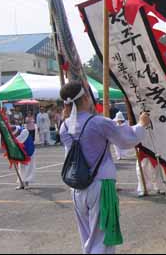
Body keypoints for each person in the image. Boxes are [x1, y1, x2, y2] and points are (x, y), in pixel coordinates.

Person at [59, 81, 149, 254]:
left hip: (76, 185)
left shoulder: (64, 127)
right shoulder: (98, 122)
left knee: (87, 236)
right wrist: (141, 125)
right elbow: (126, 140)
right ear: (86, 98)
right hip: (100, 185)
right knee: (102, 239)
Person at [13, 125, 36, 190]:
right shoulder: (16, 130)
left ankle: (27, 183)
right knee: (21, 167)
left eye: (16, 135)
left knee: (29, 168)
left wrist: (10, 142)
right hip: (22, 152)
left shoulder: (24, 131)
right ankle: (21, 183)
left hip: (29, 150)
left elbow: (17, 141)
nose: (15, 136)